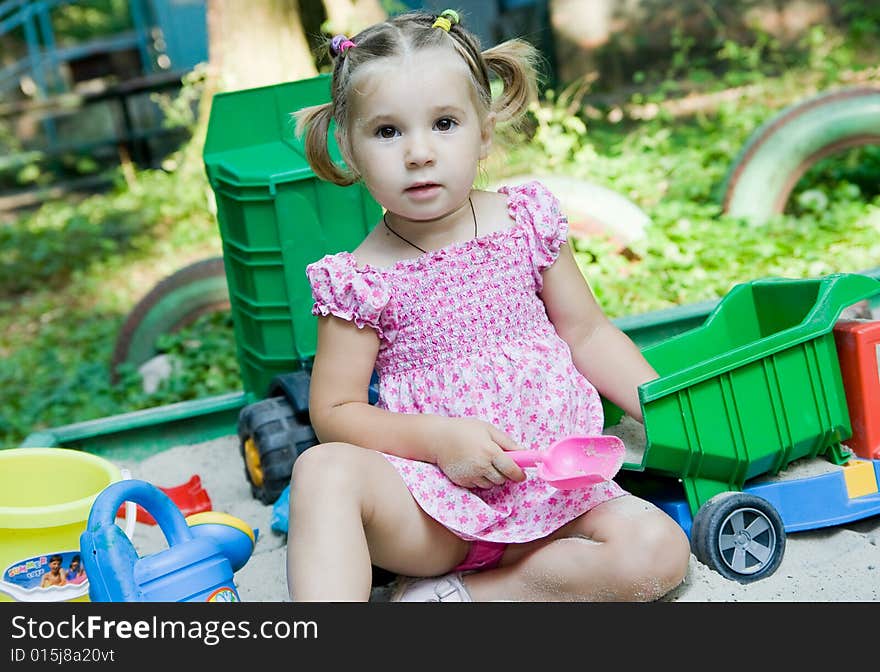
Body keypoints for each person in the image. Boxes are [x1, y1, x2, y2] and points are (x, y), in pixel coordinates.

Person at [288, 8, 690, 602]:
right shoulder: (360, 279)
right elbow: (337, 411)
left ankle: (475, 597)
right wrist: (441, 441)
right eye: (387, 131)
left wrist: (671, 410)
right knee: (320, 472)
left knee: (657, 551)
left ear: (483, 128)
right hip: (433, 509)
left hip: (559, 489)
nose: (418, 153)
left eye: (444, 123)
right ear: (347, 146)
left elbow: (588, 335)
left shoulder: (525, 221)